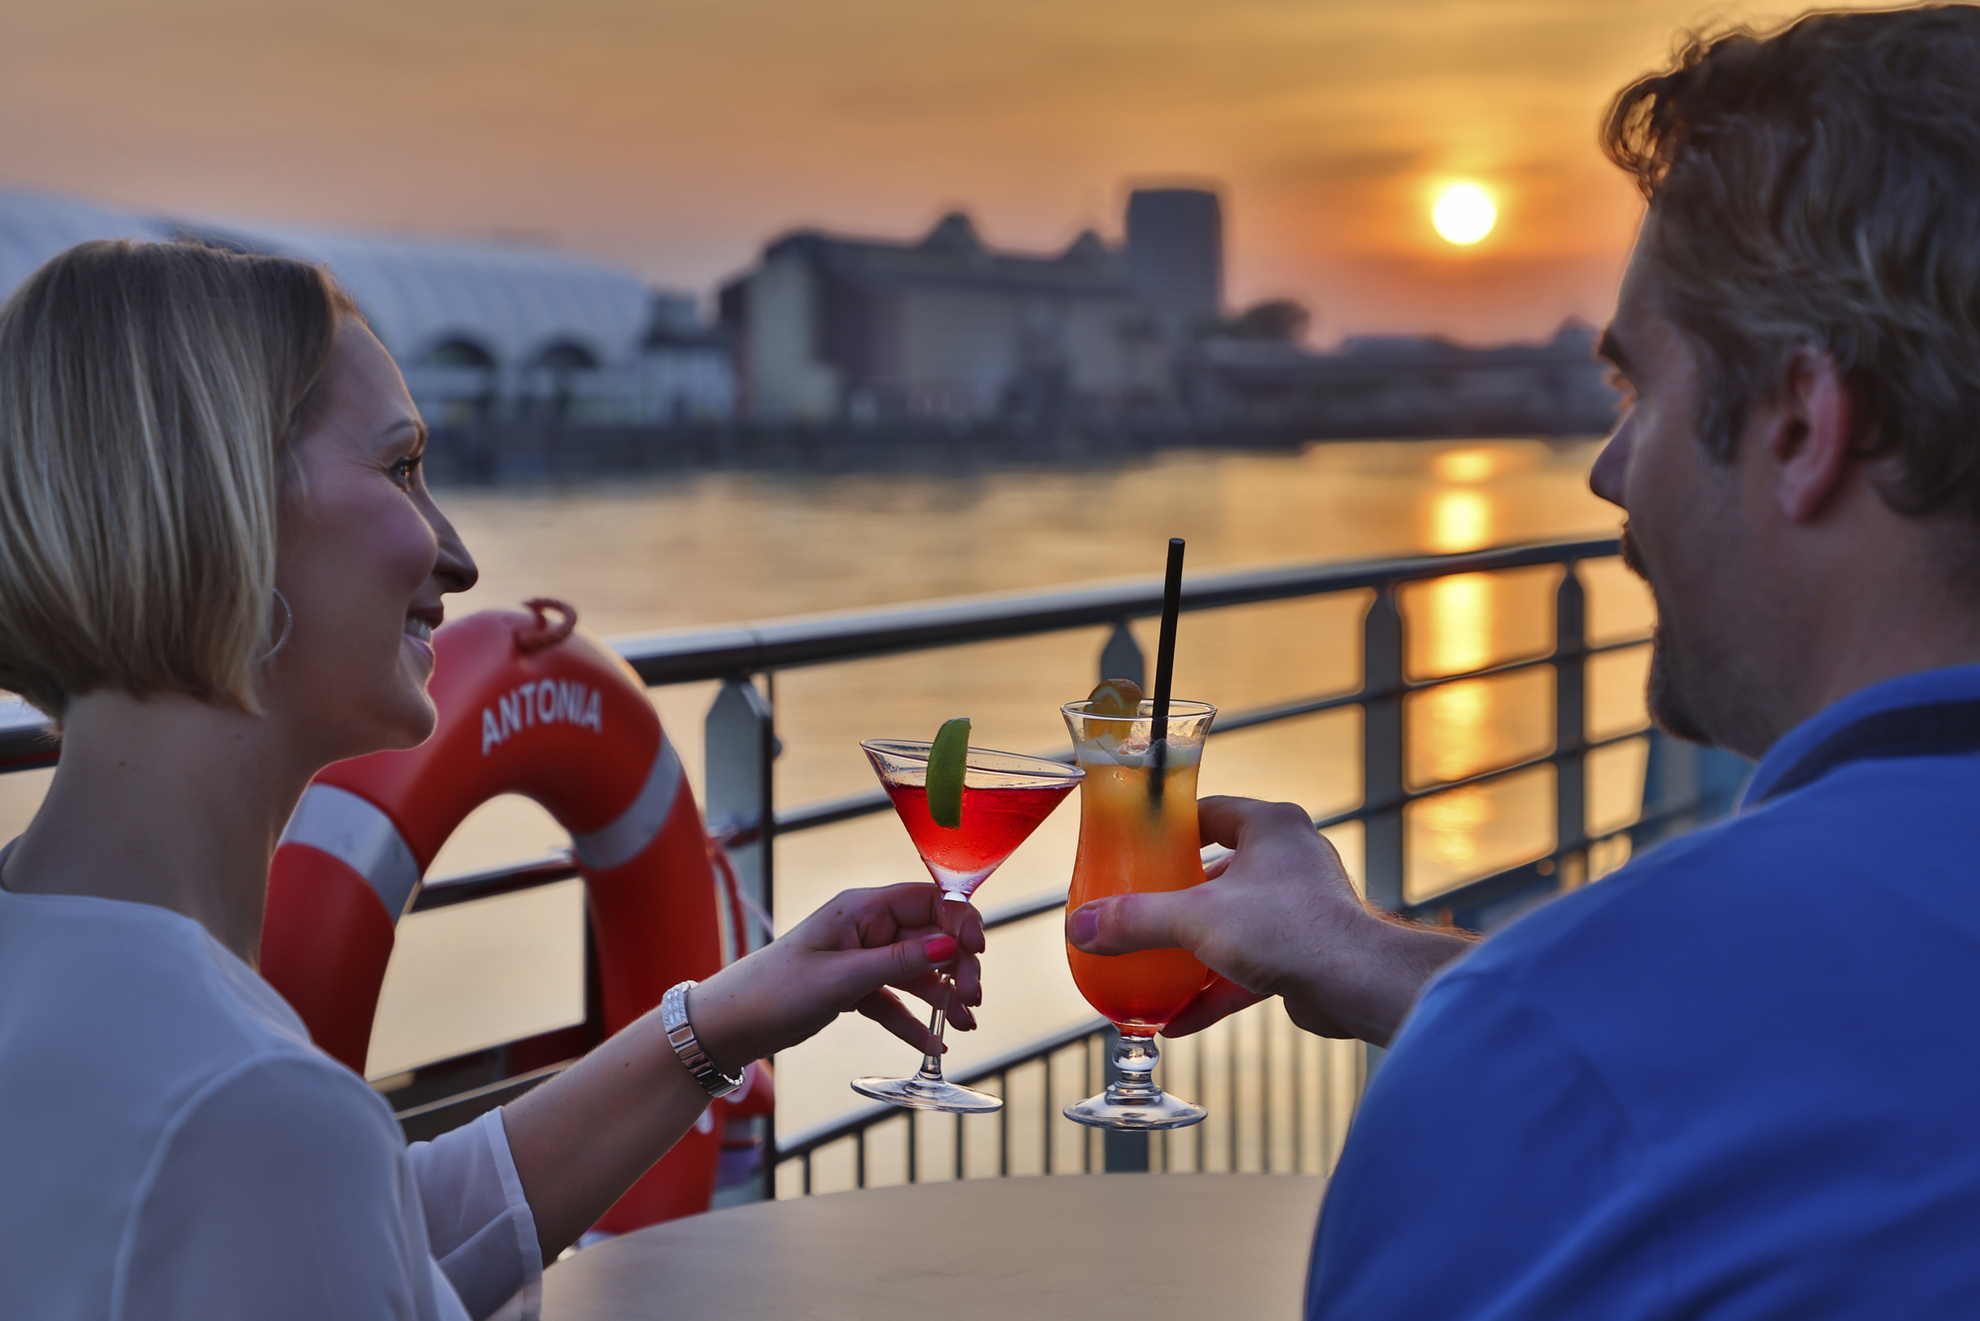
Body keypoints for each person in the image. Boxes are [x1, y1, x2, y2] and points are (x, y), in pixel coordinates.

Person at [1070, 6, 1980, 1316]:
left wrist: (1511, 1023)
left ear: (1798, 426)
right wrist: (1394, 965)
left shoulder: (1539, 1075)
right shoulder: (1585, 1039)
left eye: (1638, 393)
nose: (1610, 472)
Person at [0, 240, 986, 1320]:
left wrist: (718, 1023)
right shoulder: (253, 1108)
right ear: (222, 504)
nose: (458, 555)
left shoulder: (91, 1009)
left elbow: (358, 1233)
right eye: (402, 468)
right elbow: (301, 1188)